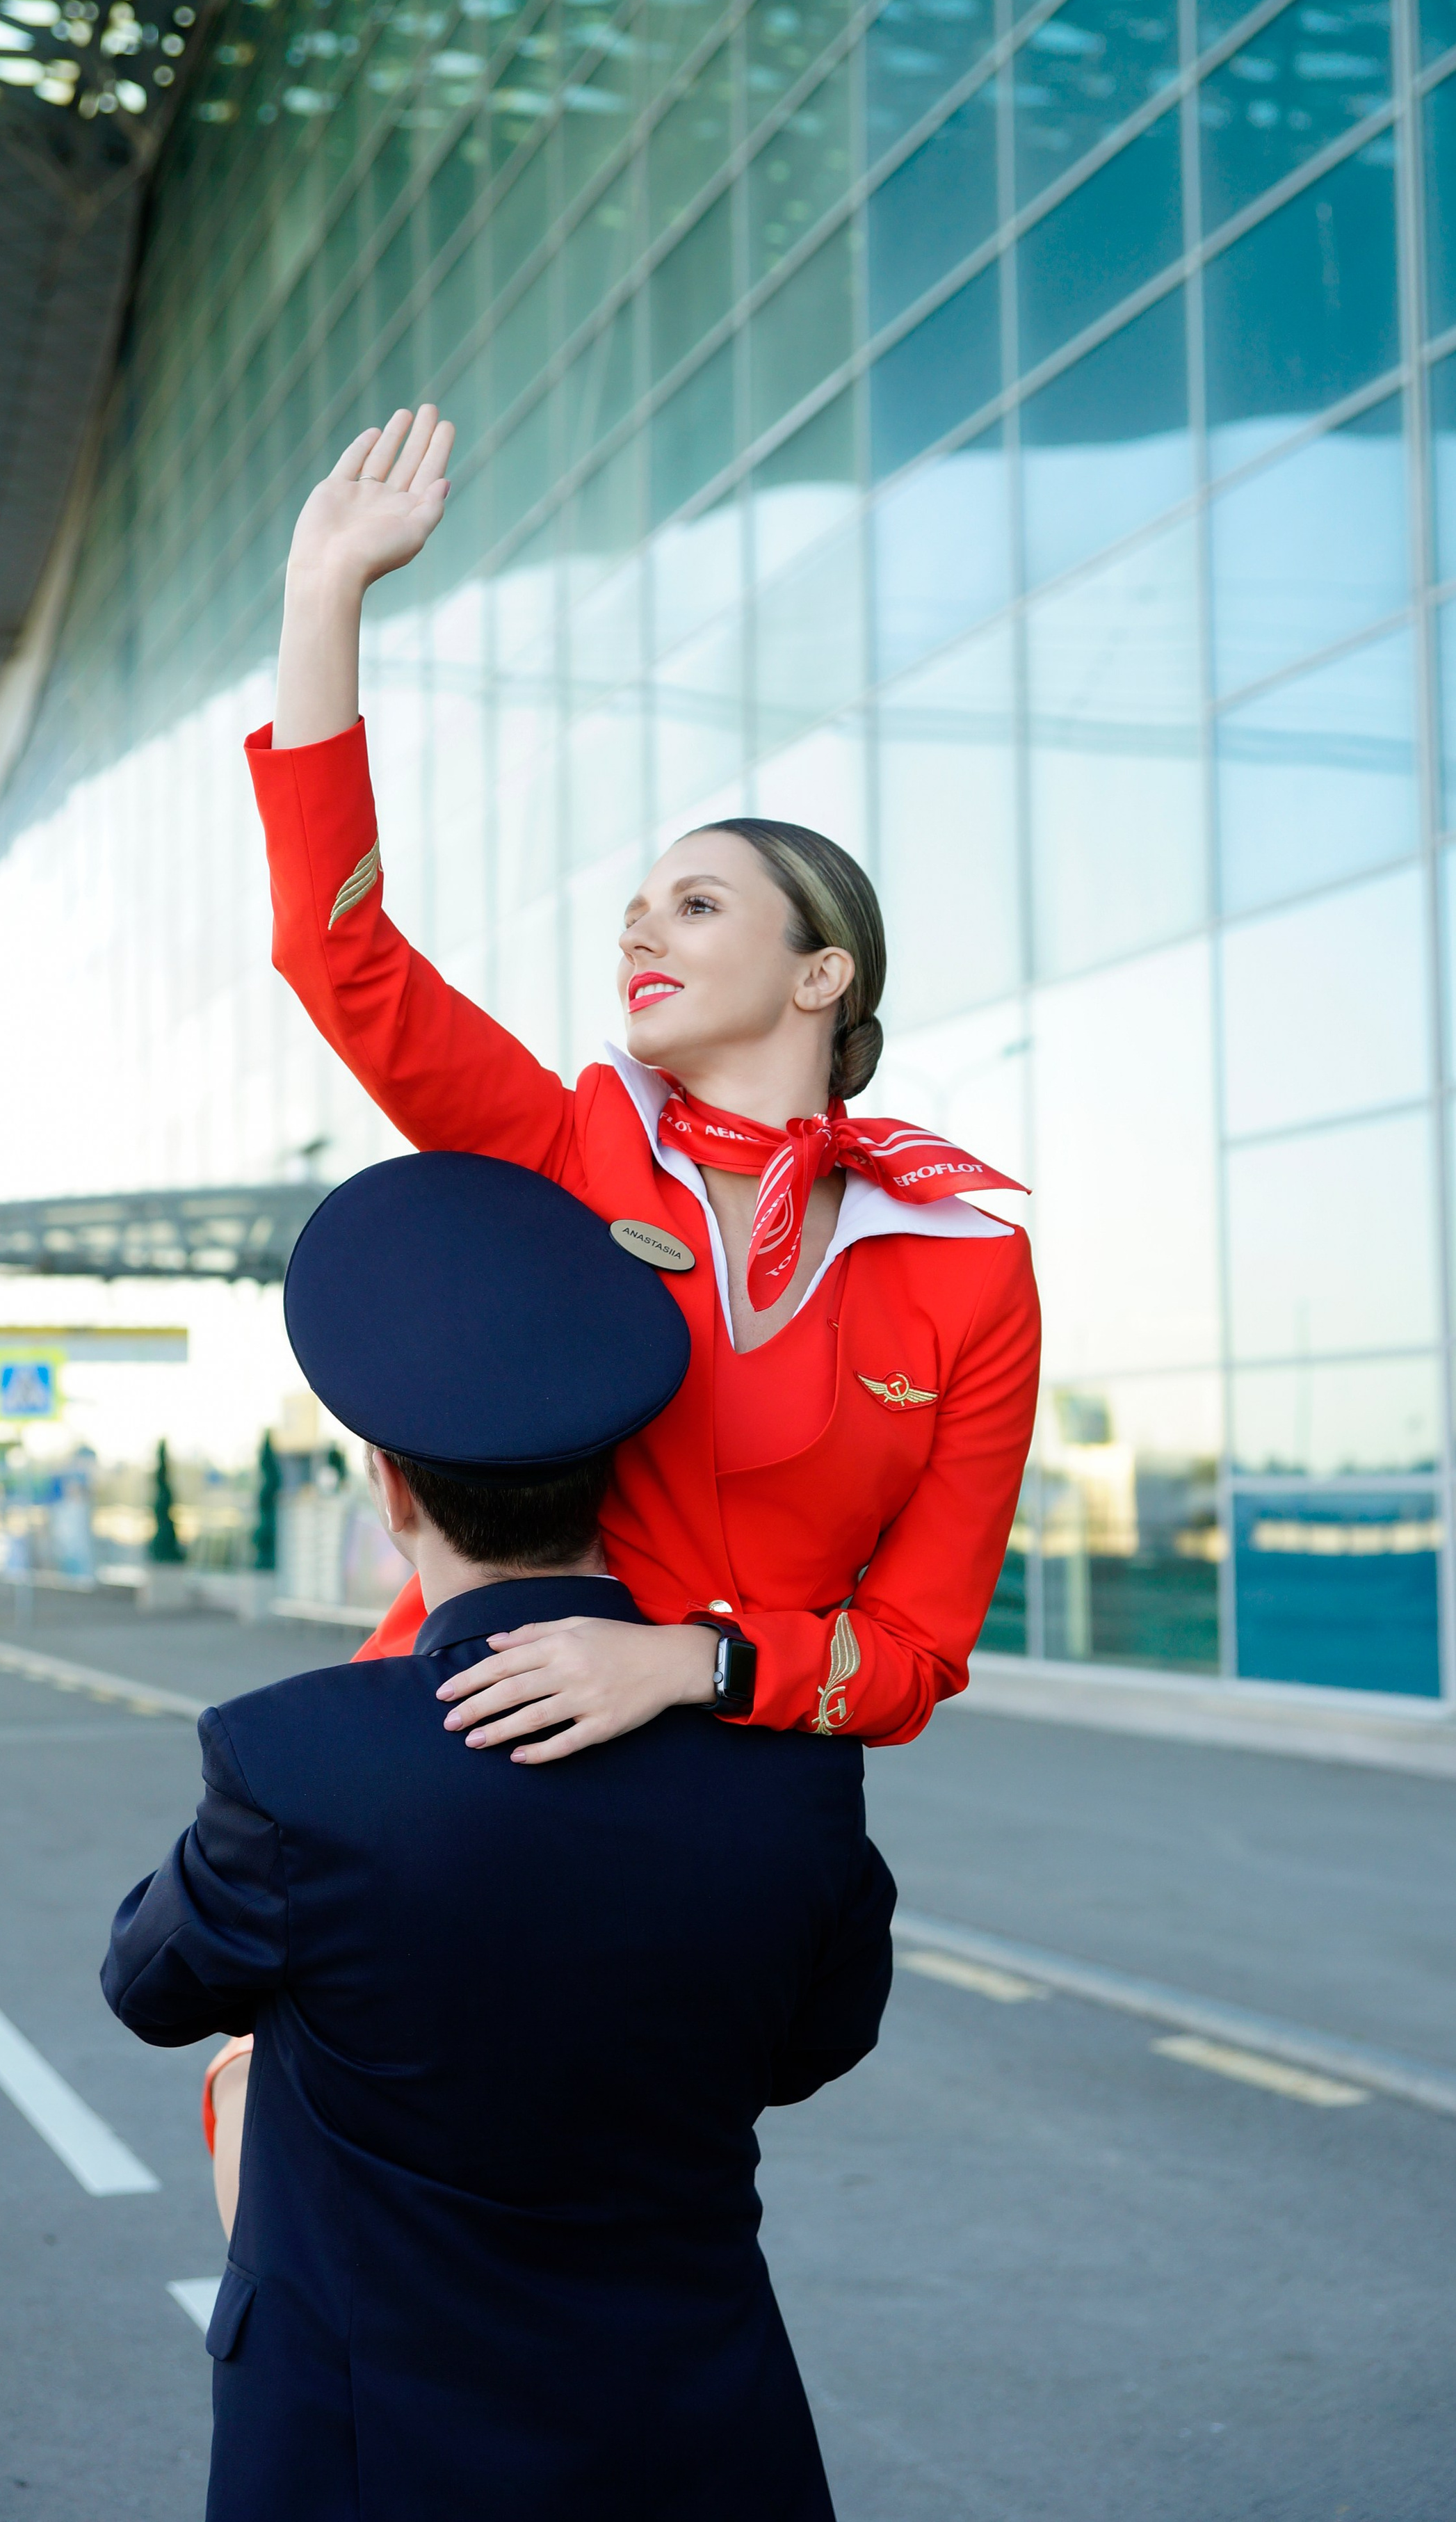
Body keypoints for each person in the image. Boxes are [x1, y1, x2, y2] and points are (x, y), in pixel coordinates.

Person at [103, 1151, 896, 2522]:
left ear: (390, 1491)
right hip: (695, 2450)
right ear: (611, 1484)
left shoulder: (296, 1759)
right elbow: (807, 2048)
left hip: (370, 2456)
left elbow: (149, 1984)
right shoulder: (792, 1780)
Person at [248, 402, 1042, 1760]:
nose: (637, 929)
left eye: (693, 905)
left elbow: (915, 1654)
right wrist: (322, 596)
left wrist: (692, 1662)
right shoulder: (563, 1142)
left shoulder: (965, 1262)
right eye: (633, 907)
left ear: (818, 974)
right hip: (463, 1750)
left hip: (745, 1791)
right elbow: (339, 954)